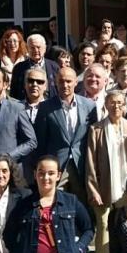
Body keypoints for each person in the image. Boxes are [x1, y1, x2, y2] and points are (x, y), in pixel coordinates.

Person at [85, 90, 127, 253]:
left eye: (119, 102)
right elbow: (90, 163)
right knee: (103, 225)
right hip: (104, 186)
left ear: (124, 105)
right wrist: (93, 189)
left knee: (125, 225)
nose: (116, 106)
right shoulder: (96, 129)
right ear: (105, 105)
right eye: (112, 102)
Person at [33, 67, 96, 206]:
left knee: (81, 204)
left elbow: (93, 138)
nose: (65, 85)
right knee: (54, 202)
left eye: (68, 81)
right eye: (61, 81)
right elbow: (40, 141)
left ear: (76, 82)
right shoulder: (45, 107)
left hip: (81, 163)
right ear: (55, 83)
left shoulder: (89, 106)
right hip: (56, 164)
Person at [10, 34, 60, 101]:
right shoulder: (19, 68)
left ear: (44, 48)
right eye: (32, 48)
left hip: (49, 107)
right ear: (27, 49)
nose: (36, 50)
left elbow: (59, 89)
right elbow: (14, 94)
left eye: (38, 47)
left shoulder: (54, 66)